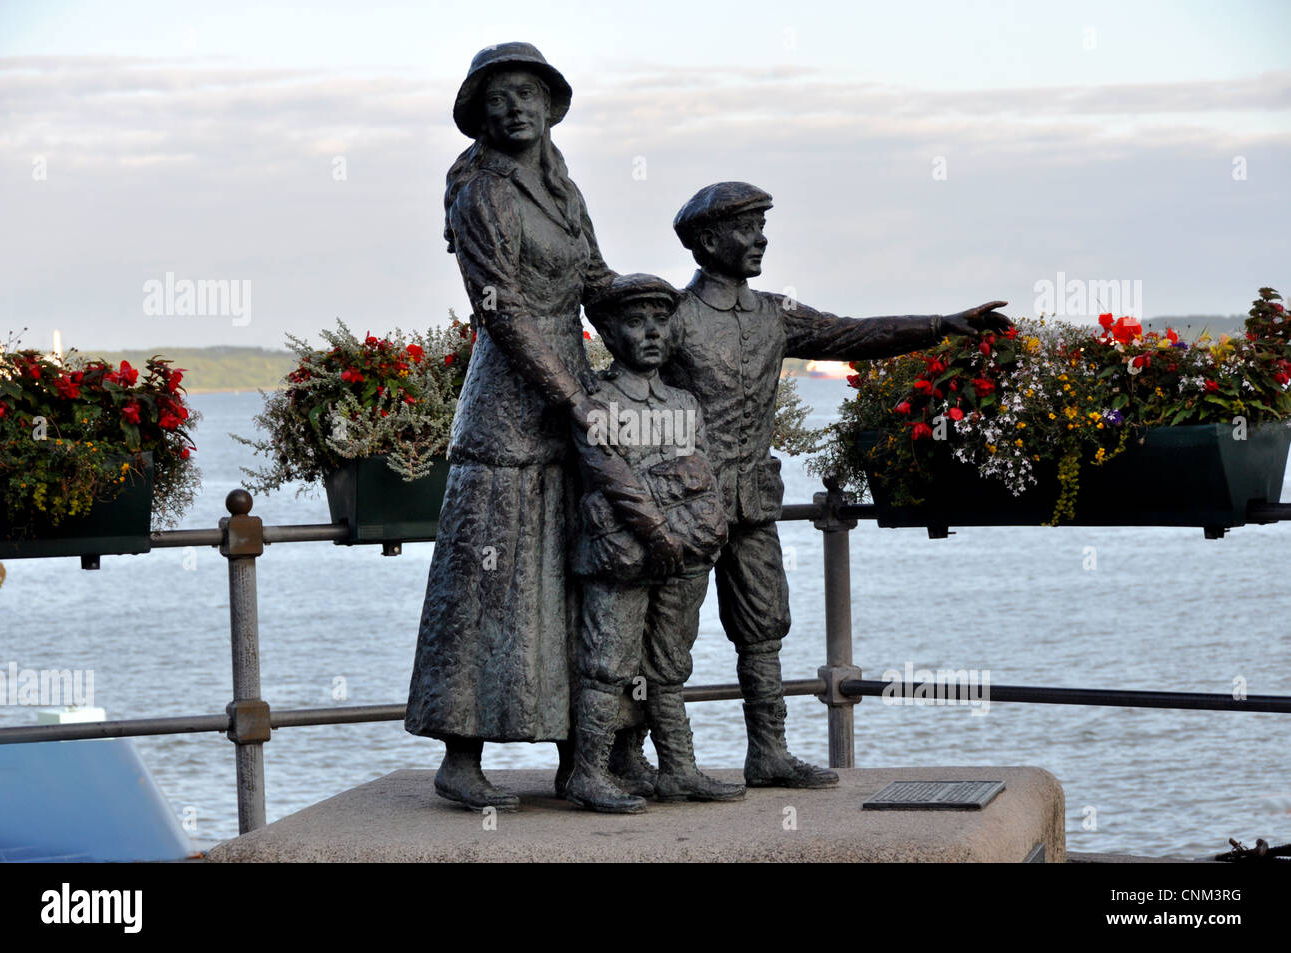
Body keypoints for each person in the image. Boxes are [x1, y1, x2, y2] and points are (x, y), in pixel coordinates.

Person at [404, 43, 681, 811]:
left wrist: (664, 322)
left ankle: (580, 754)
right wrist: (573, 396)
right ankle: (460, 756)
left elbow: (595, 283)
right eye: (497, 96)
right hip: (507, 409)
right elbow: (502, 310)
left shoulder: (563, 192)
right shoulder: (480, 193)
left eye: (527, 93)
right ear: (478, 113)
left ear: (552, 106)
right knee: (487, 581)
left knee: (571, 574)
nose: (513, 107)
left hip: (569, 401)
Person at [663, 181, 1011, 788]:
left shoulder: (774, 314)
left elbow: (855, 335)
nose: (761, 238)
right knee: (669, 634)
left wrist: (941, 325)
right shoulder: (671, 317)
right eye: (747, 227)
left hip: (752, 501)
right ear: (707, 240)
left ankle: (767, 753)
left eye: (762, 225)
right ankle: (669, 764)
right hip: (687, 505)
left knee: (764, 626)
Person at [566, 273, 744, 813]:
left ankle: (678, 768)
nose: (651, 333)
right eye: (635, 322)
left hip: (685, 556)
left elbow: (703, 473)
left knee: (670, 664)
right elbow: (608, 475)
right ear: (609, 334)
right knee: (608, 664)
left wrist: (678, 502)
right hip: (620, 555)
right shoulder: (594, 401)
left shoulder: (684, 403)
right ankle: (589, 772)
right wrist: (669, 497)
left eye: (661, 322)